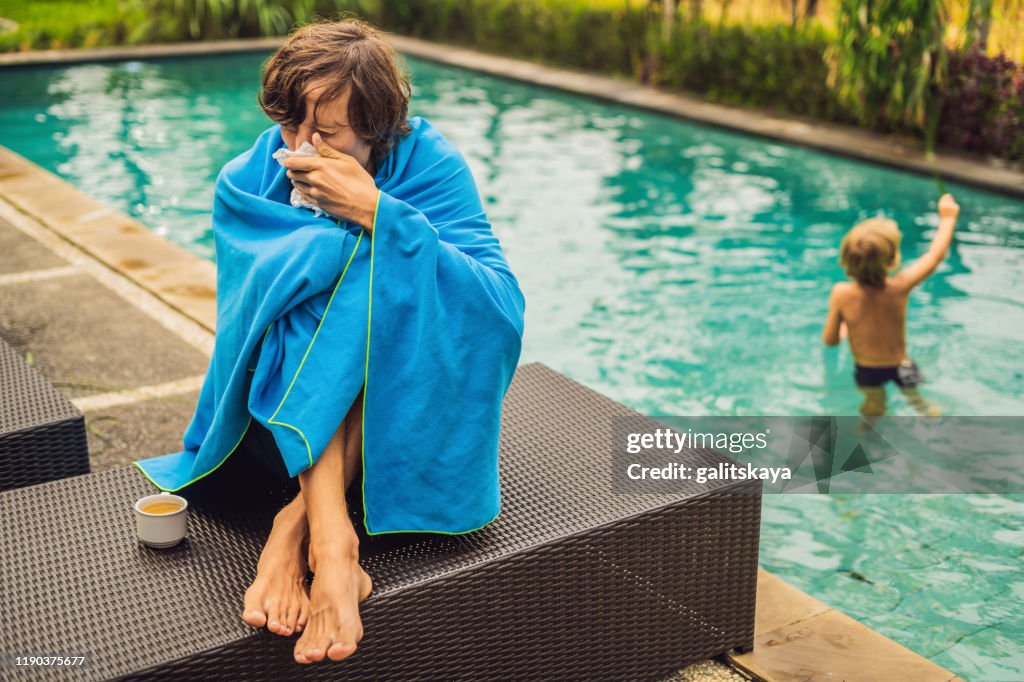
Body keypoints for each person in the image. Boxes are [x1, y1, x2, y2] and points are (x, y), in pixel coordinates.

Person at [134, 19, 524, 666]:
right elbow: (252, 319)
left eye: (328, 132)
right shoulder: (248, 176)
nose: (302, 145)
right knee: (326, 291)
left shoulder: (432, 165)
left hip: (406, 413)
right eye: (291, 126)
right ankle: (334, 540)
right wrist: (353, 244)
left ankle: (298, 527)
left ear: (378, 128)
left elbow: (497, 307)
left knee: (370, 278)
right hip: (273, 422)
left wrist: (379, 211)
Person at [822, 194, 960, 417]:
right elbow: (935, 256)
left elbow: (830, 340)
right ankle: (930, 415)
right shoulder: (900, 286)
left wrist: (846, 328)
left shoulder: (841, 293)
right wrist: (947, 218)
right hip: (902, 366)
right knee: (920, 404)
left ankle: (868, 439)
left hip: (868, 370)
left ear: (846, 258)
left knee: (873, 410)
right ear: (892, 259)